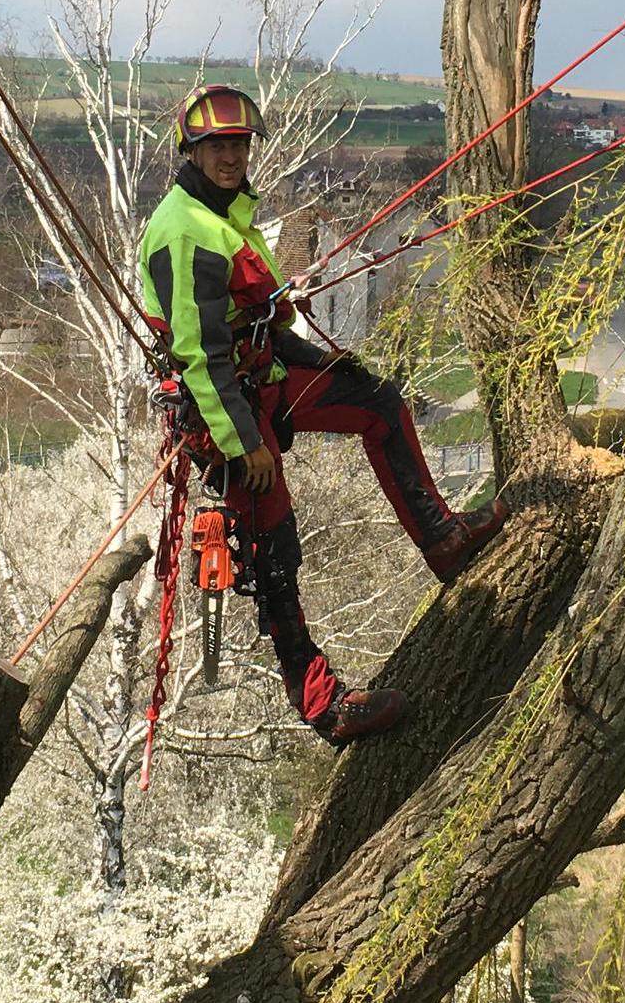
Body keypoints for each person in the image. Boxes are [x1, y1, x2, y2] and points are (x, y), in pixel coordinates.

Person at [137, 83, 507, 744]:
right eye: (217, 146)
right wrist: (245, 443)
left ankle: (442, 539)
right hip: (224, 415)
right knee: (274, 547)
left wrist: (319, 358)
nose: (231, 156)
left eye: (239, 144)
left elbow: (260, 314)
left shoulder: (225, 216)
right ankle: (324, 707)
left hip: (265, 376)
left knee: (378, 403)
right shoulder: (184, 232)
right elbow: (198, 355)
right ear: (191, 151)